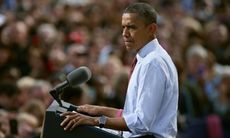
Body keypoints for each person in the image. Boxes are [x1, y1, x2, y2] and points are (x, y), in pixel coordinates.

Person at [60, 2, 179, 138]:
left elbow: (141, 123)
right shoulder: (147, 58)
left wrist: (95, 121)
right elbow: (134, 114)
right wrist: (98, 110)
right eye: (123, 27)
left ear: (151, 29)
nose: (125, 33)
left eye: (132, 27)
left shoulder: (152, 63)